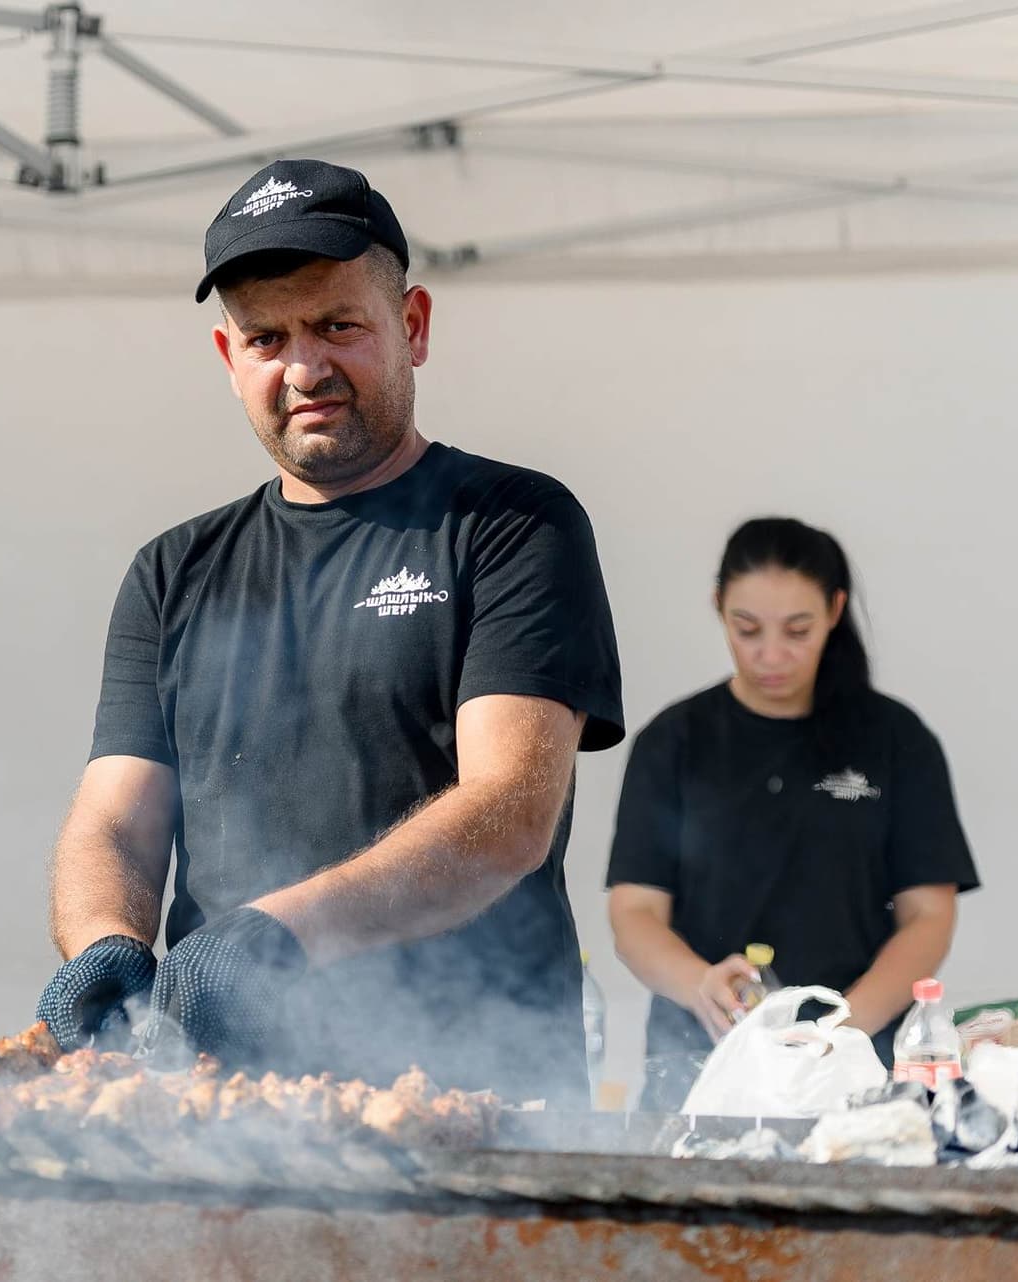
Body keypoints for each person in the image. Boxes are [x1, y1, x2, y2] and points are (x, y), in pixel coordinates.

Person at [35, 158, 625, 1104]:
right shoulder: (170, 572)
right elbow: (114, 818)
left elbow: (511, 810)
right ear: (231, 363)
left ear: (414, 327)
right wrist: (106, 940)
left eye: (337, 325)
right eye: (267, 337)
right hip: (226, 1114)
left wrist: (278, 936)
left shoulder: (515, 523)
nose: (305, 367)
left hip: (474, 1103)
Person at [605, 517, 980, 1110]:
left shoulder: (894, 740)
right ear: (717, 607)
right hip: (701, 1071)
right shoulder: (674, 742)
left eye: (797, 630)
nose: (771, 655)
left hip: (862, 1068)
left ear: (835, 610)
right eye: (746, 629)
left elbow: (929, 915)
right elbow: (634, 913)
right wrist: (701, 984)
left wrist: (843, 1030)